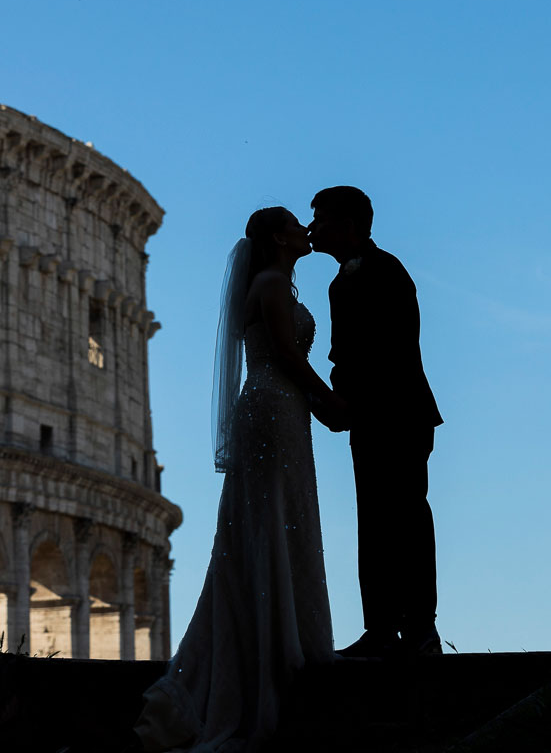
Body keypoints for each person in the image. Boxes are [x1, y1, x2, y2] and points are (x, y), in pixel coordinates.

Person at [132, 207, 341, 752]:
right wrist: (329, 402)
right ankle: (276, 646)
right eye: (298, 225)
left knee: (280, 515)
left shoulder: (275, 283)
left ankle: (283, 633)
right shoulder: (271, 283)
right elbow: (287, 356)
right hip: (274, 406)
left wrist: (314, 405)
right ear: (278, 237)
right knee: (273, 517)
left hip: (282, 408)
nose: (306, 232)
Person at [307, 186, 444, 659]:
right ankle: (382, 627)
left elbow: (390, 348)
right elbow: (344, 354)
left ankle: (420, 627)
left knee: (406, 515)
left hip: (399, 413)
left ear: (348, 225)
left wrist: (344, 399)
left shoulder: (384, 270)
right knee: (374, 518)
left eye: (321, 219)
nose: (312, 229)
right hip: (370, 415)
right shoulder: (340, 282)